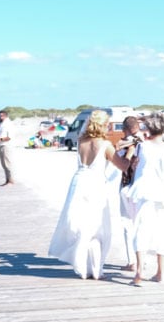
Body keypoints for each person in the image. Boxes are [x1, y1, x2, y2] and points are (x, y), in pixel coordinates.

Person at [47, 110, 119, 280]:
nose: (109, 126)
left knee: (82, 225)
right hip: (95, 185)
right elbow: (122, 165)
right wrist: (130, 153)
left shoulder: (81, 141)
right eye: (107, 123)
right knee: (99, 228)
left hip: (79, 182)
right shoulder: (105, 145)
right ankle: (96, 269)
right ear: (102, 125)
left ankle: (82, 266)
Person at [123, 111, 164, 286]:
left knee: (141, 230)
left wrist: (142, 122)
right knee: (163, 232)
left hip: (145, 192)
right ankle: (160, 273)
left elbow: (133, 142)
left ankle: (139, 273)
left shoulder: (143, 145)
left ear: (148, 128)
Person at [111, 115, 145, 272]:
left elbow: (119, 162)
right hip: (141, 188)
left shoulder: (122, 144)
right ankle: (141, 261)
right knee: (141, 224)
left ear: (125, 129)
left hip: (126, 185)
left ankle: (132, 261)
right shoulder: (145, 142)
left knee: (127, 223)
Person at [0, 109, 15, 185]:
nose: (1, 117)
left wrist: (0, 139)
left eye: (2, 115)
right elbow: (0, 135)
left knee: (7, 163)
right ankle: (7, 180)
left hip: (7, 145)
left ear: (6, 115)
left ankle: (11, 180)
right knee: (3, 164)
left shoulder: (8, 124)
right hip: (1, 144)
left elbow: (9, 137)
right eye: (0, 115)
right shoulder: (1, 124)